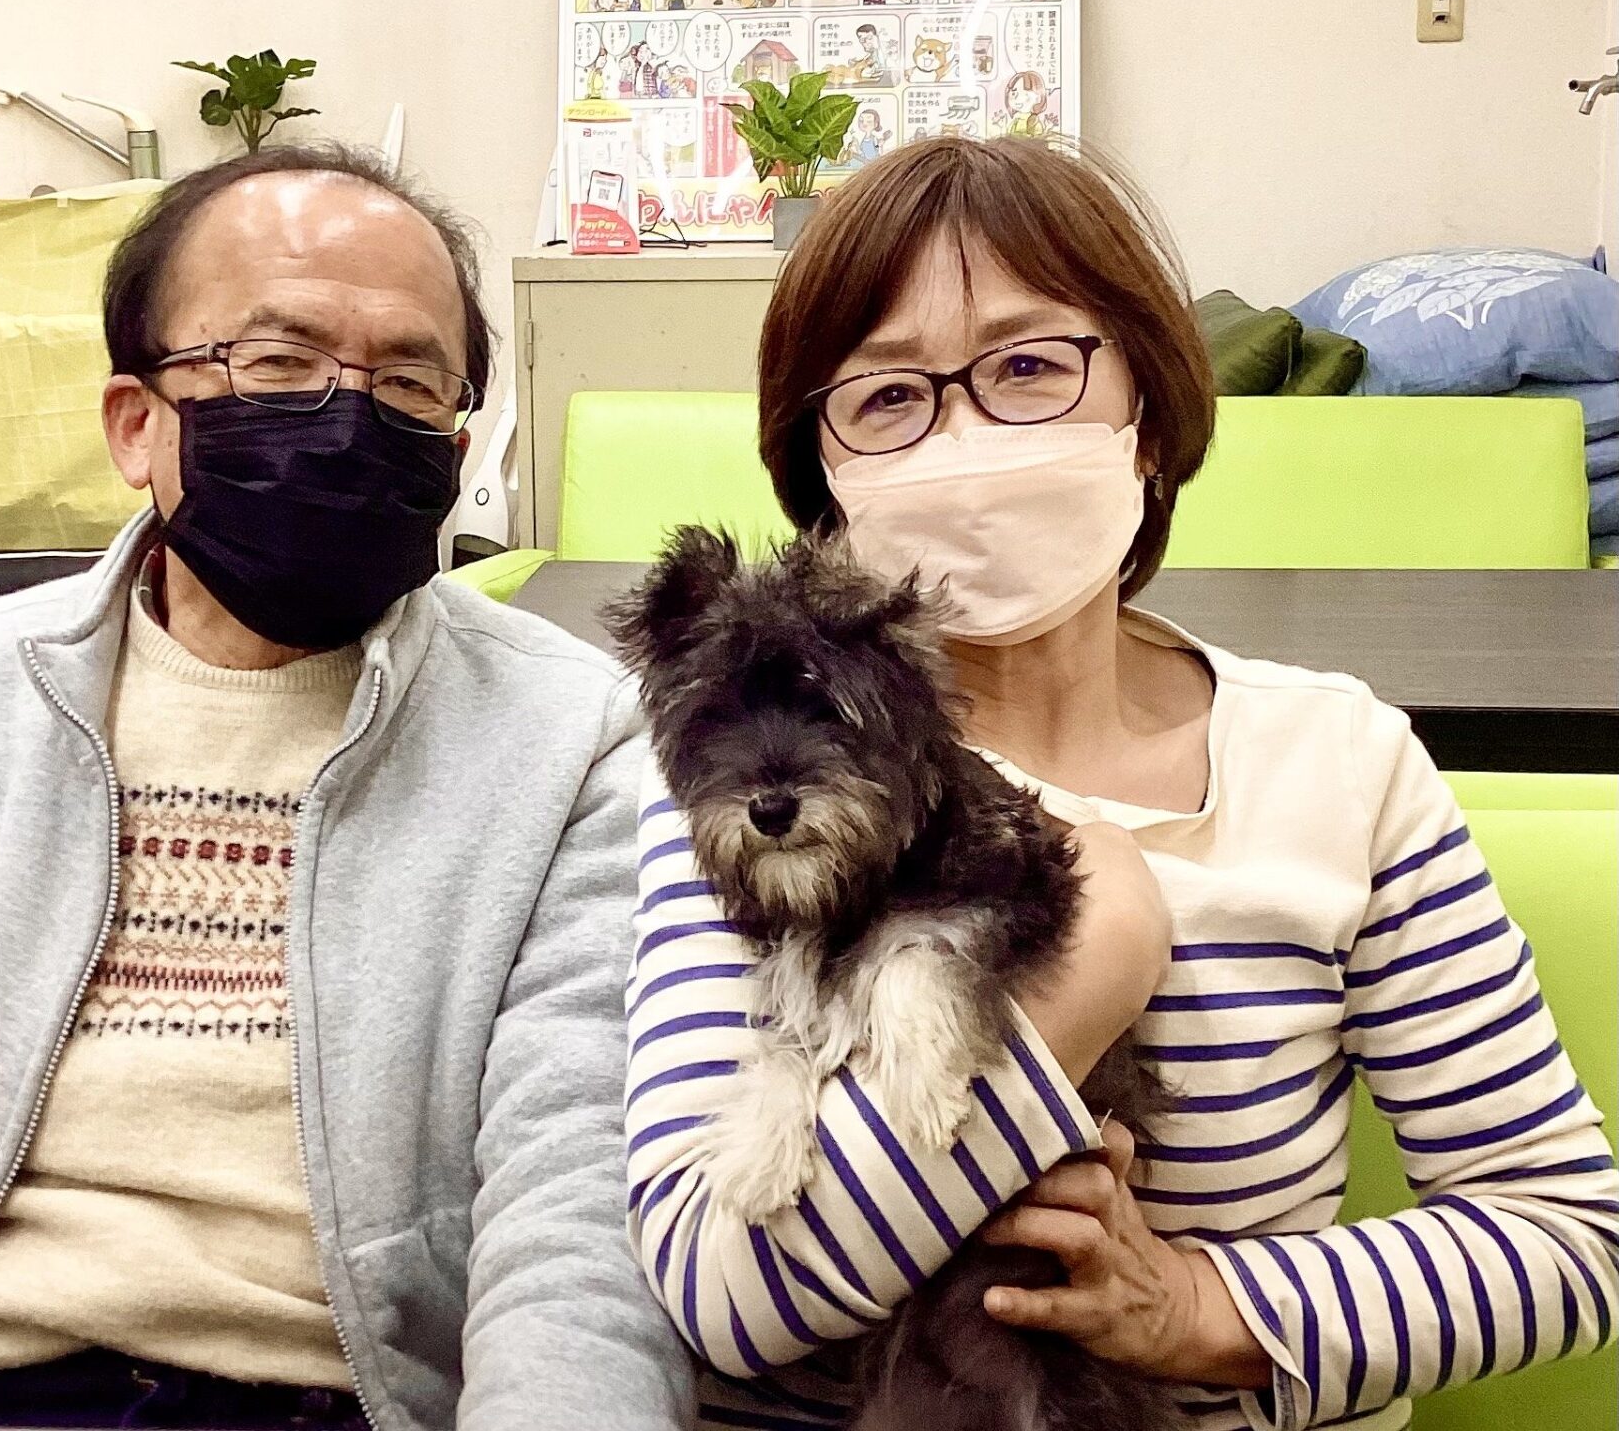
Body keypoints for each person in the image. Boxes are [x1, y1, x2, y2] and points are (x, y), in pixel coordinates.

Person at [624, 136, 1619, 1429]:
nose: (966, 438)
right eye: (889, 396)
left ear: (1147, 416)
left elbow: (1565, 1232)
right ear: (828, 477)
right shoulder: (751, 783)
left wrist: (1198, 1307)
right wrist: (1084, 974)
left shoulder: (1341, 762)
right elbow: (718, 1291)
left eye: (1031, 368)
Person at [0, 144, 693, 1431]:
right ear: (136, 423)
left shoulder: (574, 740)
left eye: (407, 382)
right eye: (276, 363)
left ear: (457, 442)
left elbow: (574, 1221)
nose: (346, 418)